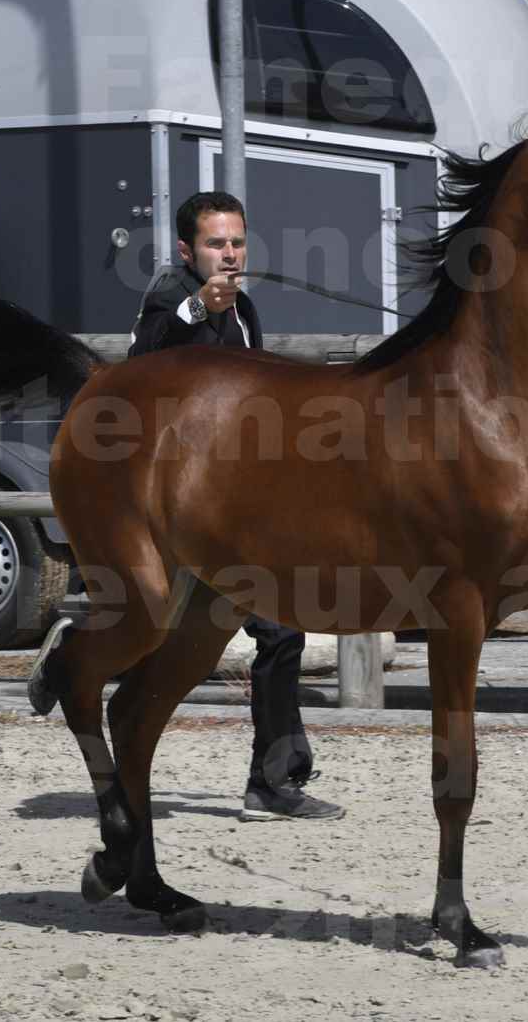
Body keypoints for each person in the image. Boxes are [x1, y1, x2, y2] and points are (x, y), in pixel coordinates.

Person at [129, 190, 344, 822]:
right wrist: (197, 308)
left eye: (237, 242)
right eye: (216, 244)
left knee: (281, 630)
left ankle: (274, 781)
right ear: (185, 251)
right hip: (173, 508)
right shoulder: (169, 297)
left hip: (234, 507)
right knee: (166, 631)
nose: (229, 254)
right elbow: (142, 369)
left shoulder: (245, 310)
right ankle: (69, 658)